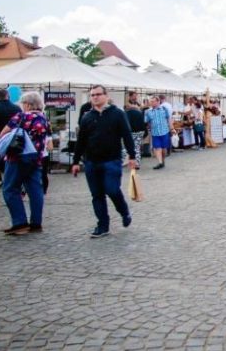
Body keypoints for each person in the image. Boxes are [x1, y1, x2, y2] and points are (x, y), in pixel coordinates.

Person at [71, 85, 137, 239]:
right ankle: (102, 225)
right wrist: (75, 162)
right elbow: (81, 141)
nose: (95, 97)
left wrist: (132, 156)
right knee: (97, 194)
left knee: (112, 190)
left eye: (98, 94)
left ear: (106, 96)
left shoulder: (118, 114)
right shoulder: (87, 117)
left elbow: (127, 135)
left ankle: (124, 211)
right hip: (91, 162)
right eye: (92, 95)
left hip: (112, 160)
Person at [0, 92, 52, 235]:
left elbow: (3, 134)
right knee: (35, 190)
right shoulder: (44, 118)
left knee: (10, 189)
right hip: (36, 159)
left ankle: (19, 222)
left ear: (28, 104)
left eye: (23, 104)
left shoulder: (21, 117)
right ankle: (36, 223)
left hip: (17, 158)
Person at [144, 96, 172, 170]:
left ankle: (163, 161)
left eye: (153, 101)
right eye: (151, 101)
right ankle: (160, 163)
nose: (151, 103)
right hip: (155, 133)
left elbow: (169, 119)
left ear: (158, 101)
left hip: (164, 131)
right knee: (157, 148)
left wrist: (172, 129)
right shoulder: (148, 112)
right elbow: (147, 121)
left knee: (164, 150)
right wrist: (149, 126)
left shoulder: (164, 109)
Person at [125, 100, 146, 169]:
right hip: (140, 132)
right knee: (137, 148)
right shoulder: (139, 113)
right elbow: (143, 123)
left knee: (129, 147)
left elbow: (126, 124)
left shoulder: (126, 114)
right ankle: (137, 163)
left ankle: (129, 162)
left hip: (131, 132)